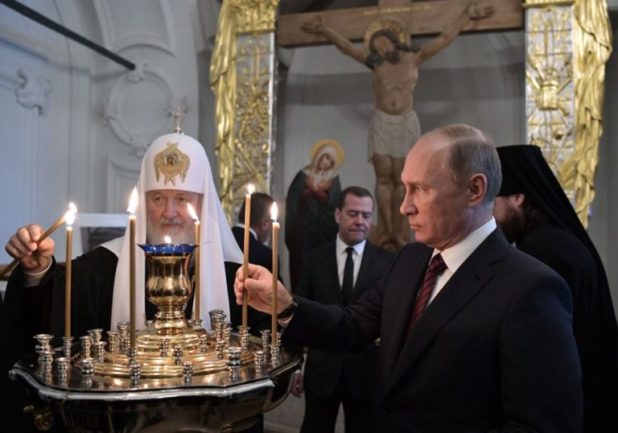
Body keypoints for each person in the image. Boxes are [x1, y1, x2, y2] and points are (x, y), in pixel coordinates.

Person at [236, 124, 583, 433]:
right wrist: (284, 305)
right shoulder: (411, 259)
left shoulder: (531, 288)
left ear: (474, 189)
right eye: (404, 188)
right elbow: (352, 325)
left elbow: (539, 425)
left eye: (420, 189)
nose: (404, 207)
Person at [0, 130, 243, 433]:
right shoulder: (107, 263)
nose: (169, 212)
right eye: (157, 198)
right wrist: (37, 270)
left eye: (181, 198)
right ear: (142, 201)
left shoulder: (235, 277)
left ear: (203, 204)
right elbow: (54, 309)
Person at [302, 3, 493, 250]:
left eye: (383, 42)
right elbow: (347, 48)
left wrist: (466, 16)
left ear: (394, 40)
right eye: (376, 46)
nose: (380, 48)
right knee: (383, 178)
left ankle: (402, 233)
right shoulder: (375, 63)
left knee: (405, 179)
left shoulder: (413, 57)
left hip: (405, 122)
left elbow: (444, 39)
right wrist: (324, 30)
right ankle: (385, 231)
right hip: (382, 121)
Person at [493, 144, 618, 433]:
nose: (491, 216)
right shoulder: (552, 241)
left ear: (517, 197)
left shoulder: (545, 251)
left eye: (493, 202)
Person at [294, 186, 394, 433]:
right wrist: (296, 366)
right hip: (322, 370)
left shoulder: (388, 262)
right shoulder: (315, 258)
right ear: (338, 215)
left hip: (366, 373)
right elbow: (298, 313)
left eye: (366, 215)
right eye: (353, 213)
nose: (360, 221)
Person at [285, 139, 344, 290]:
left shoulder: (333, 179)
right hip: (302, 229)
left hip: (324, 232)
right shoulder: (303, 175)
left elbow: (334, 203)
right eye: (325, 157)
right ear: (318, 156)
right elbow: (293, 197)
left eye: (330, 160)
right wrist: (306, 193)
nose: (326, 162)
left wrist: (315, 191)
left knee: (321, 267)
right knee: (301, 262)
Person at [230, 191, 282, 333]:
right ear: (265, 224)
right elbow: (271, 305)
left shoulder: (218, 242)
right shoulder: (265, 255)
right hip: (251, 335)